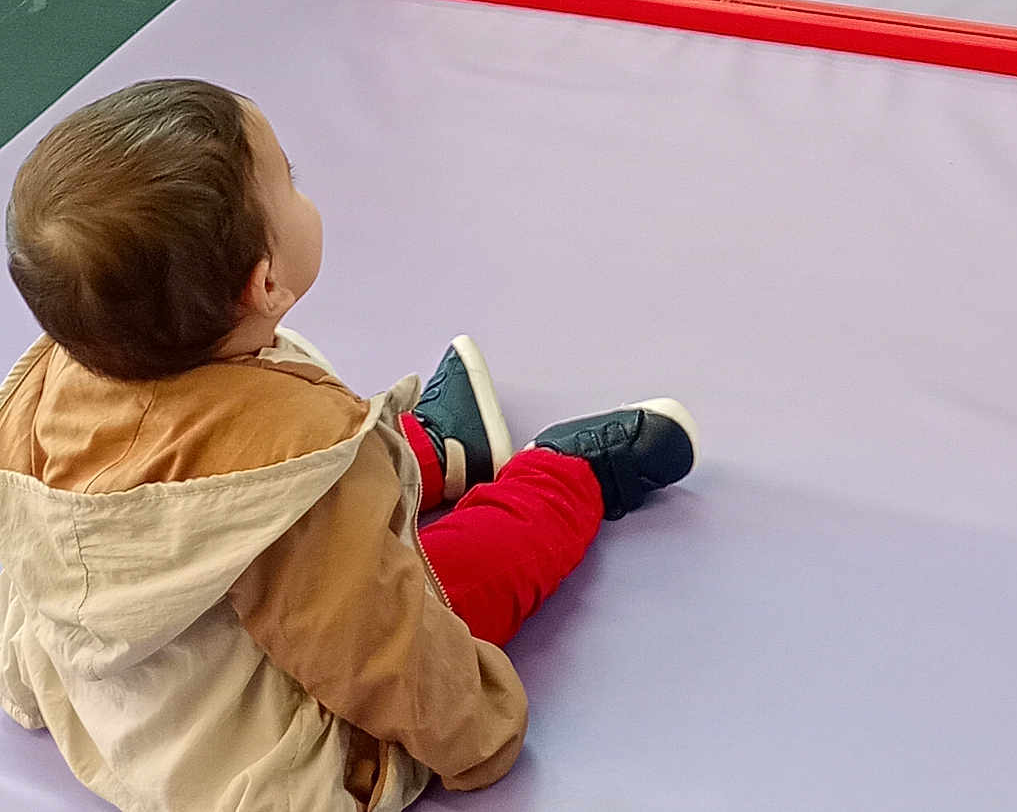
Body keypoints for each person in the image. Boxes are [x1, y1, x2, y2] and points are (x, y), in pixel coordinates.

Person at [0, 78, 697, 812]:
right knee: (444, 577)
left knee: (331, 483)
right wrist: (481, 738)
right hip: (268, 754)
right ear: (264, 282)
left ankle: (433, 451)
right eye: (290, 182)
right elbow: (377, 644)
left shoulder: (59, 374)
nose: (304, 192)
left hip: (124, 707)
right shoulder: (291, 477)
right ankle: (562, 479)